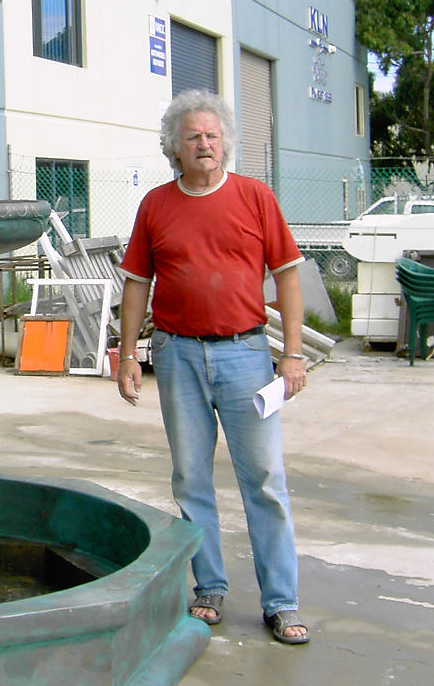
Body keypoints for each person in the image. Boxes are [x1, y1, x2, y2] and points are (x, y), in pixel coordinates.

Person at [117, 89, 309, 644]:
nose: (204, 144)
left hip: (247, 355)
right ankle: (209, 588)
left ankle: (282, 601)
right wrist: (129, 355)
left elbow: (289, 277)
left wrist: (292, 354)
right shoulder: (155, 205)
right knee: (191, 479)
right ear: (173, 149)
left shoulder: (255, 197)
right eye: (193, 137)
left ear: (225, 142)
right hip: (176, 355)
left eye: (212, 135)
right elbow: (136, 286)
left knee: (265, 481)